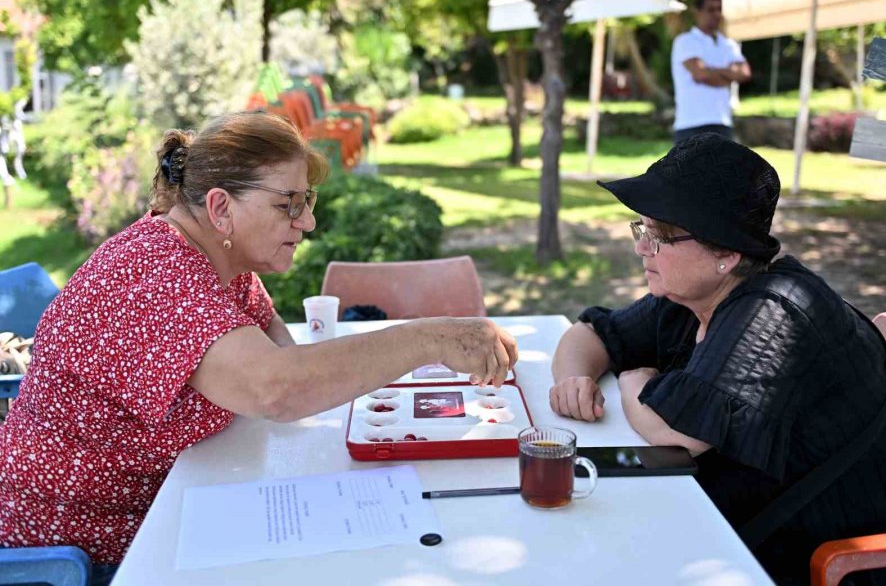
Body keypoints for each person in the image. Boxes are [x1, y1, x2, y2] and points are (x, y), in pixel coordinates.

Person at [0, 111, 518, 584]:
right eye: (287, 204)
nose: (307, 221)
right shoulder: (152, 271)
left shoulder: (221, 262)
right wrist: (431, 338)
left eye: (306, 201)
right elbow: (277, 390)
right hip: (74, 555)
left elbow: (284, 357)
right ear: (221, 207)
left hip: (158, 513)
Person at [549, 134, 886, 585]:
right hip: (729, 527)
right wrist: (574, 379)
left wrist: (635, 384)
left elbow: (676, 432)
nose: (641, 248)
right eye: (642, 229)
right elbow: (590, 333)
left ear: (727, 254)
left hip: (819, 556)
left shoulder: (774, 311)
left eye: (659, 236)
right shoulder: (689, 295)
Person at [671, 0, 751, 143]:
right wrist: (728, 75)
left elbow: (745, 73)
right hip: (690, 124)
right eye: (710, 9)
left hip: (722, 123)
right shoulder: (685, 41)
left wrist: (712, 71)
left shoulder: (728, 44)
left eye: (719, 9)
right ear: (697, 12)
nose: (716, 14)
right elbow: (701, 74)